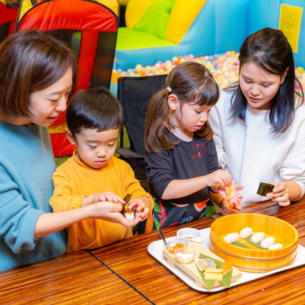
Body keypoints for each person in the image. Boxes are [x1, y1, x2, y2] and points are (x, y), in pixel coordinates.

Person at [0, 31, 139, 272]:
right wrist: (88, 211)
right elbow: (21, 224)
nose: (63, 107)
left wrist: (89, 200)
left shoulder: (33, 120)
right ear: (20, 90)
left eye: (67, 94)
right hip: (20, 273)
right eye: (54, 98)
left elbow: (45, 194)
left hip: (57, 258)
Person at [50, 87, 154, 253]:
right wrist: (91, 201)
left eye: (111, 144)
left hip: (123, 249)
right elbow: (59, 207)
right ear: (71, 137)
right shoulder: (65, 173)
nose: (102, 153)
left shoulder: (122, 167)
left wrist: (142, 203)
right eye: (92, 145)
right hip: (84, 257)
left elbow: (142, 195)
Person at [209, 28, 305, 206]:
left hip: (272, 213)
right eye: (247, 80)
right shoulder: (220, 104)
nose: (254, 92)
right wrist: (224, 202)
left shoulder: (298, 115)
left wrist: (286, 191)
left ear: (283, 76)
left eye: (265, 84)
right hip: (226, 211)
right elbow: (213, 172)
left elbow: (298, 182)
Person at [143, 62, 243, 231]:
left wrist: (222, 194)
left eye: (209, 111)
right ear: (174, 102)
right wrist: (207, 179)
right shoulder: (160, 138)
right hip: (166, 227)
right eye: (198, 111)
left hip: (201, 221)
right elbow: (164, 189)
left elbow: (212, 183)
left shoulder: (203, 133)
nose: (204, 118)